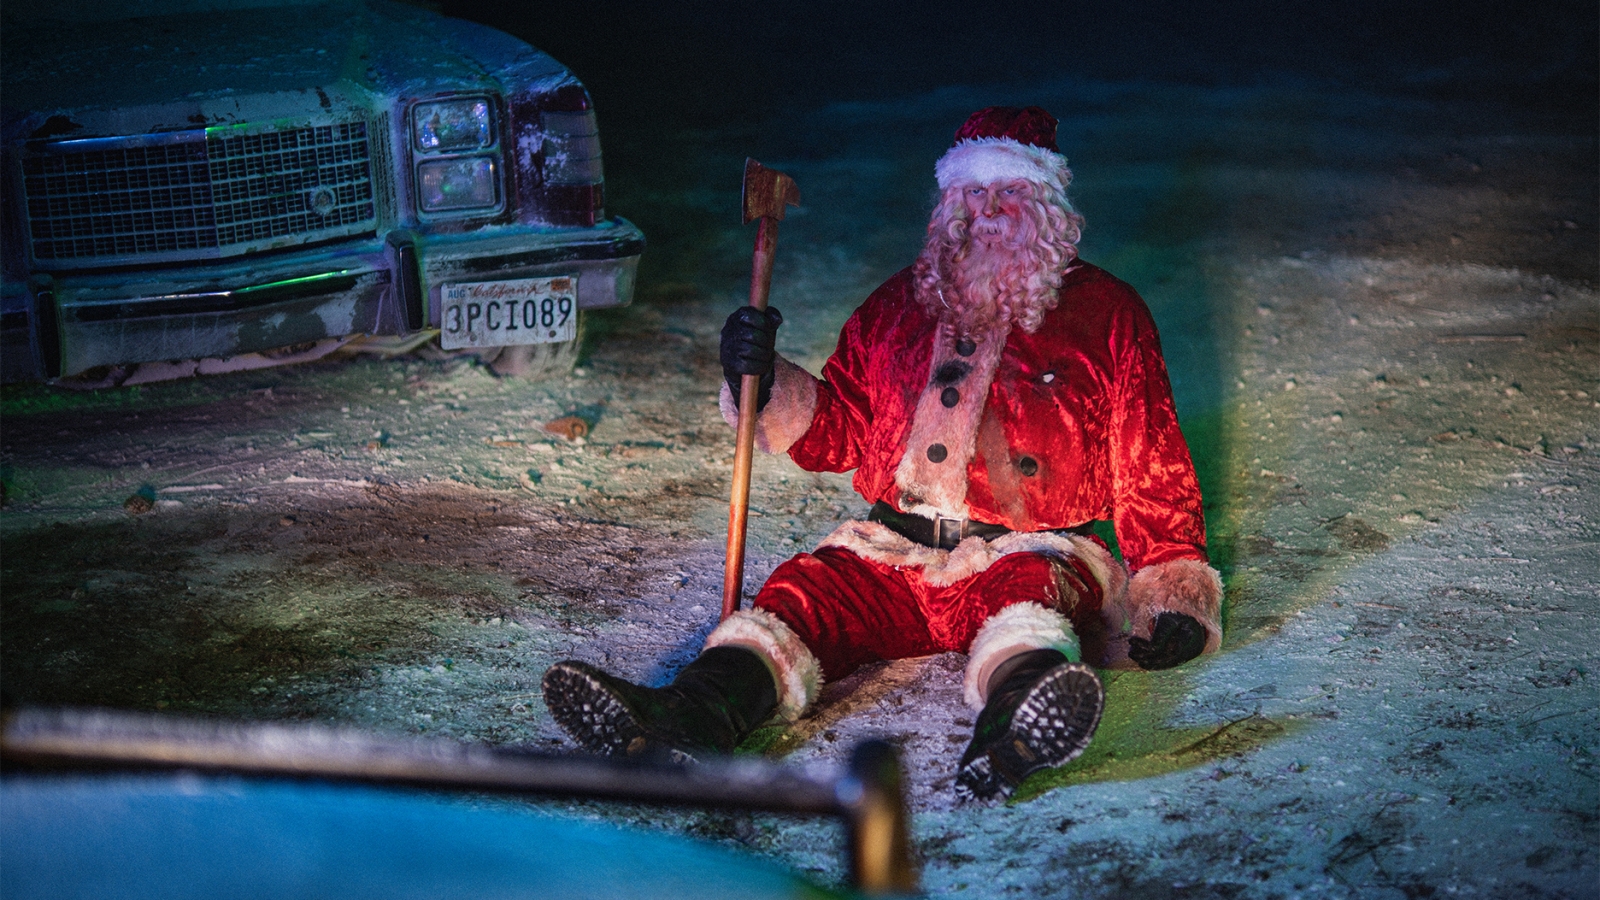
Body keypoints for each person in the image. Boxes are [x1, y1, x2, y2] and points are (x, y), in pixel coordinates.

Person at [543, 106, 1223, 801]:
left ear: (1048, 205)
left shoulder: (1107, 314)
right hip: (897, 550)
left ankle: (1017, 725)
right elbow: (840, 430)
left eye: (1010, 191)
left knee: (1029, 600)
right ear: (950, 204)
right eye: (974, 191)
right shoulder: (900, 305)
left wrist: (1171, 589)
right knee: (806, 592)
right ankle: (692, 714)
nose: (989, 209)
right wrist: (763, 381)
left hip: (1029, 548)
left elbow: (1151, 462)